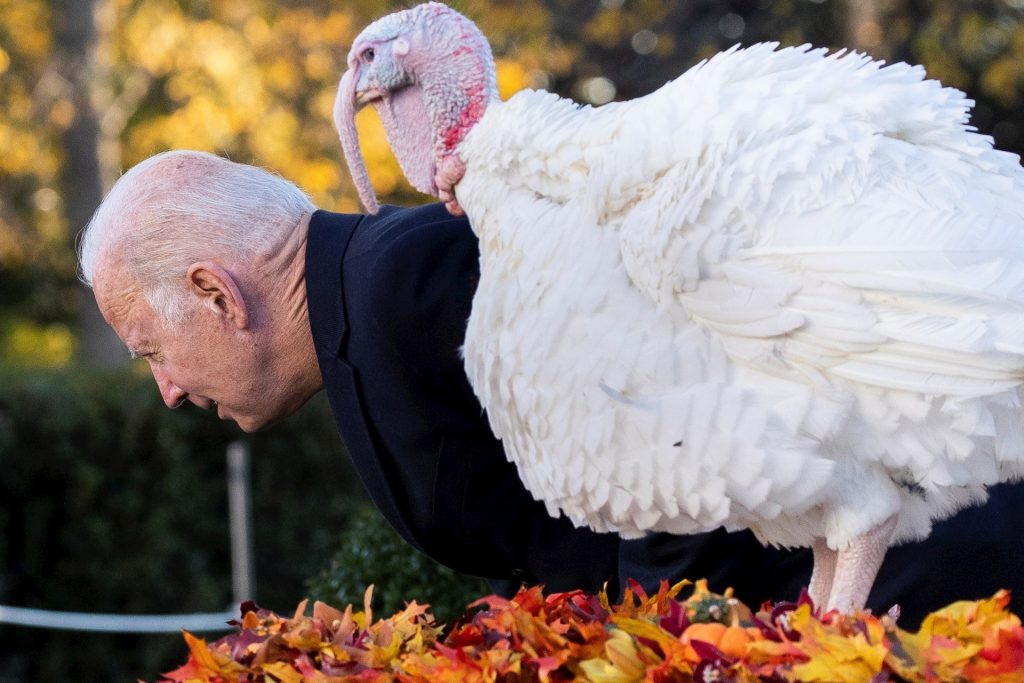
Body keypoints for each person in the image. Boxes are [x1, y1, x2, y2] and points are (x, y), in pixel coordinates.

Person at [80, 149, 1024, 627]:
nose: (164, 389)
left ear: (214, 291)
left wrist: (670, 639)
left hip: (898, 583)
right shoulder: (365, 306)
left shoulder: (413, 275)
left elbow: (669, 417)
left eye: (148, 345)